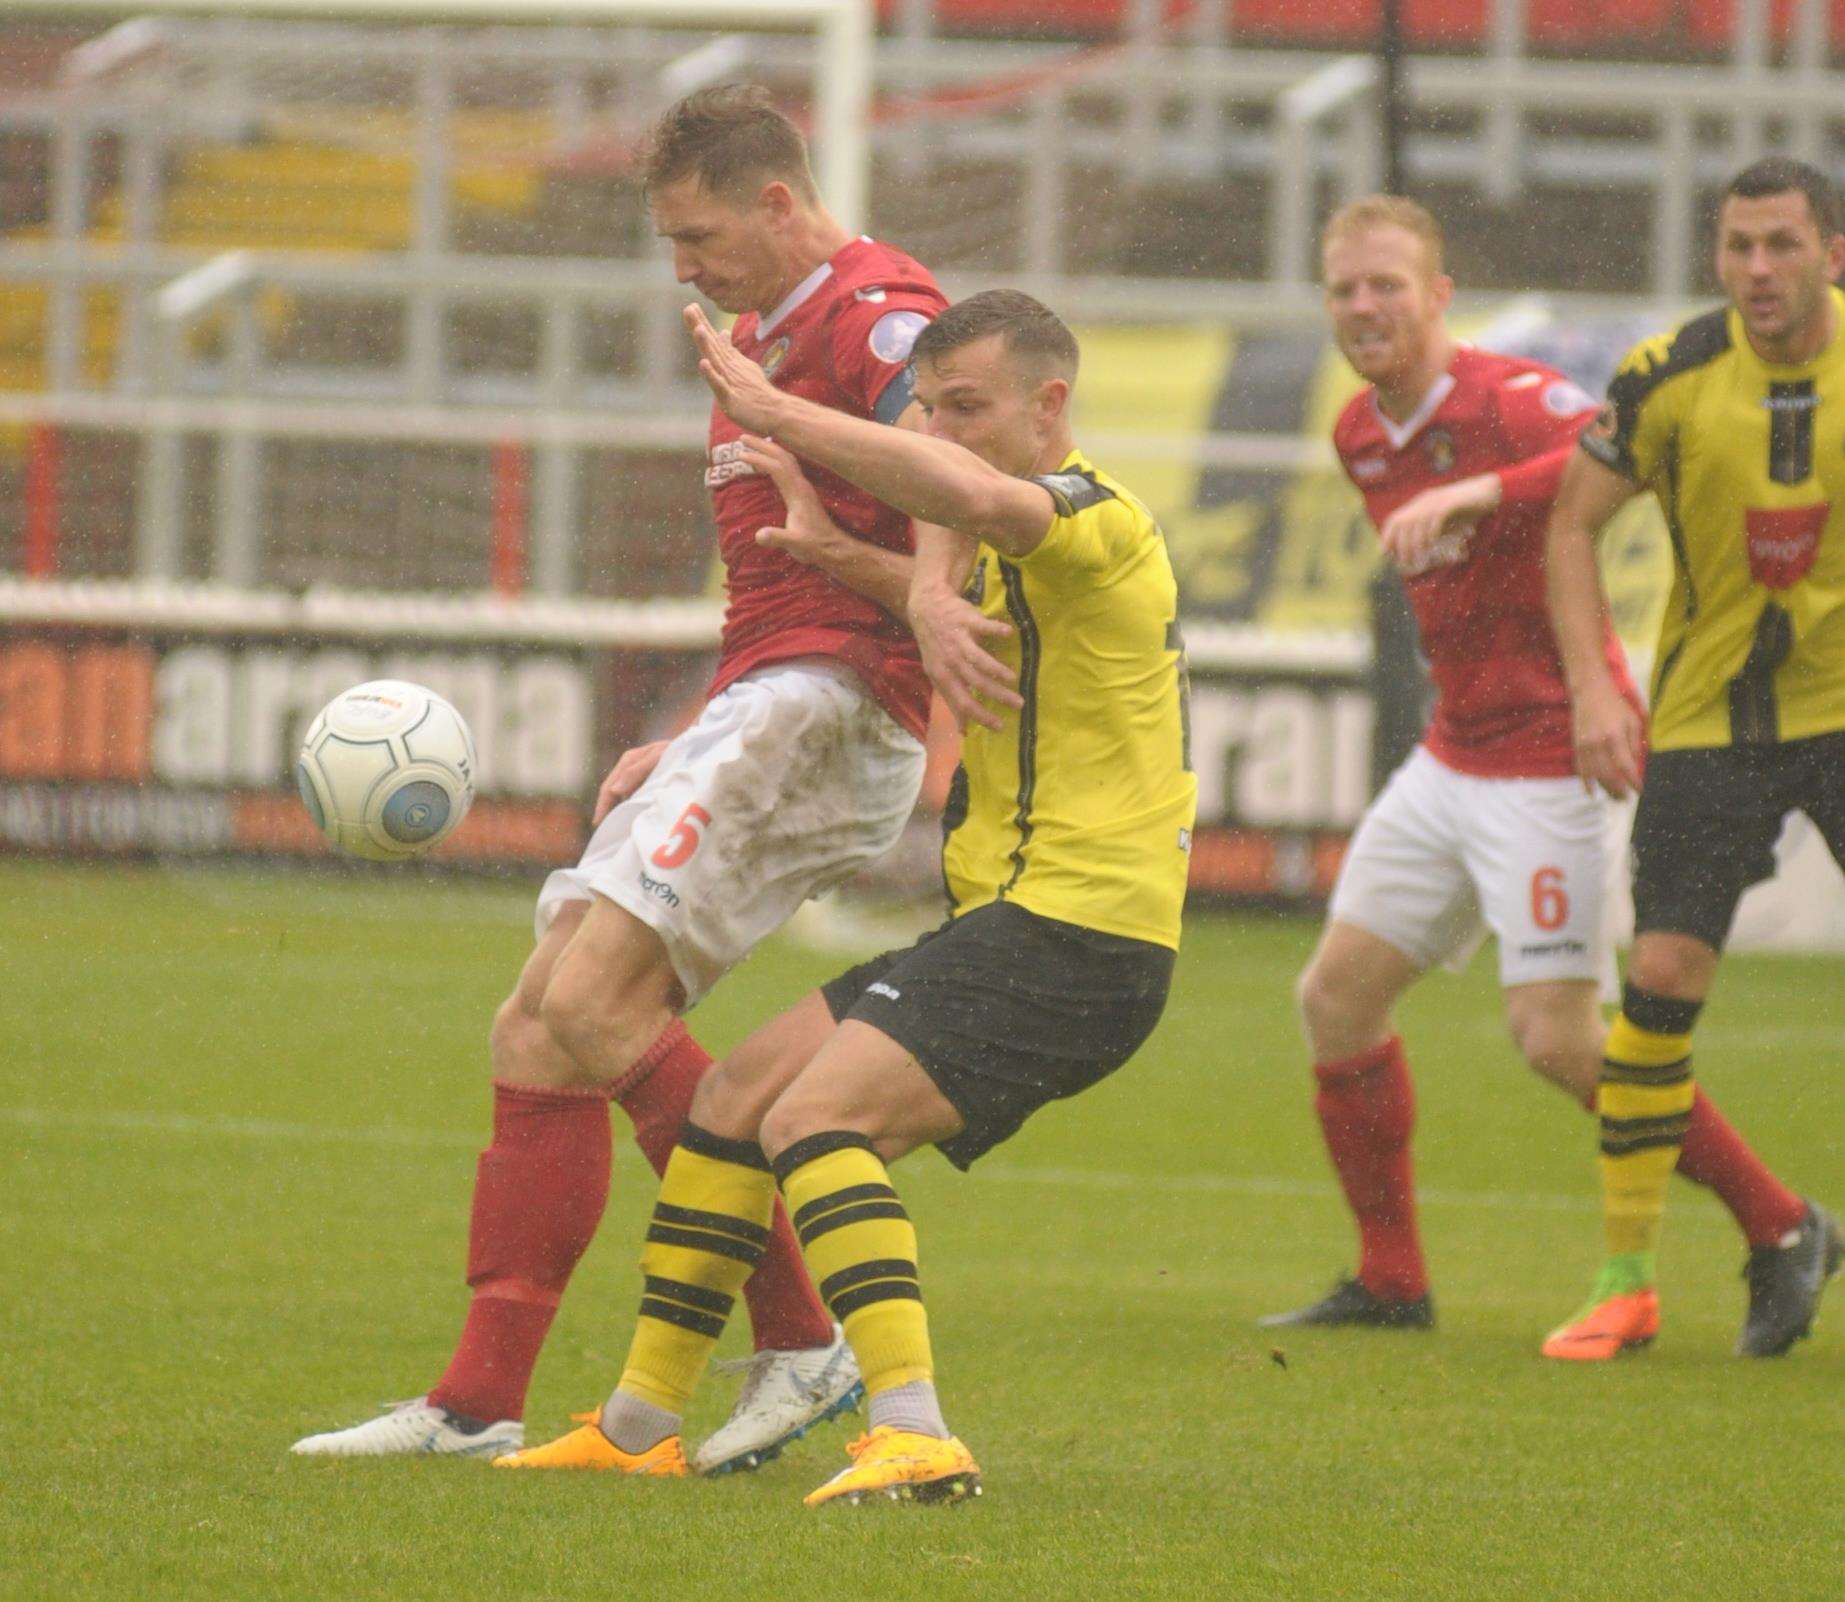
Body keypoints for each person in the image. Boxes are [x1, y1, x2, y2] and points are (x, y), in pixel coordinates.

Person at [291, 85, 948, 1467]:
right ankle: (476, 1402)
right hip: (772, 695)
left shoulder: (877, 309)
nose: (682, 267)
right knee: (536, 1022)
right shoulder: (768, 331)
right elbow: (775, 573)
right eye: (668, 242)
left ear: (778, 201)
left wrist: (914, 635)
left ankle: (804, 1339)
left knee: (594, 1001)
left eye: (699, 234)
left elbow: (963, 476)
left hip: (836, 702)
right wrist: (705, 719)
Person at [492, 289, 1196, 1505]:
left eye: (966, 408)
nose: (940, 433)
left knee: (815, 1123)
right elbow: (961, 567)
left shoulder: (1098, 517)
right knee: (731, 1099)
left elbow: (976, 502)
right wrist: (830, 551)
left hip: (1083, 934)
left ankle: (915, 1428)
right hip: (1014, 924)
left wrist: (774, 413)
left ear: (1051, 407)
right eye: (926, 408)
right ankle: (637, 1421)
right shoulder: (1030, 563)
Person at [1262, 196, 1825, 1353]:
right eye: (1344, 288)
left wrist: (1483, 490)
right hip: (1450, 754)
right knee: (1335, 997)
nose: (1365, 307)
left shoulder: (1513, 400)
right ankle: (1392, 1280)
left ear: (1439, 295)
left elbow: (1608, 453)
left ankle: (1781, 1224)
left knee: (1560, 1038)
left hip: (1546, 766)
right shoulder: (1360, 432)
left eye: (1388, 285)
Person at [1541, 155, 1845, 1362]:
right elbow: (1571, 521)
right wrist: (1592, 689)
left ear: (1834, 251)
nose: (1758, 270)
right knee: (1656, 989)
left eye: (1782, 245)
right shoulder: (1669, 378)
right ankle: (1628, 1279)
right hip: (1715, 715)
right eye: (1737, 247)